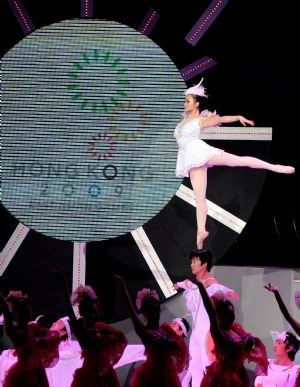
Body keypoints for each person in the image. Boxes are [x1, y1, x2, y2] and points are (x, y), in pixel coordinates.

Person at [174, 79, 295, 248]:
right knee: (199, 198)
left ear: (197, 104)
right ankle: (201, 234)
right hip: (190, 159)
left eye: (188, 101)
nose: (184, 104)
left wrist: (238, 117)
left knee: (238, 161)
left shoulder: (201, 120)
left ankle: (274, 167)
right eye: (184, 101)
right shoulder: (183, 120)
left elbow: (222, 118)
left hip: (200, 152)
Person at [173, 249, 239, 387]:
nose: (191, 264)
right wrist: (177, 284)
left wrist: (229, 291)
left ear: (204, 264)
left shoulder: (210, 282)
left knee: (207, 365)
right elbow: (187, 284)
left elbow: (218, 287)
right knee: (194, 367)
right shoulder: (195, 282)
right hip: (196, 334)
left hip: (206, 334)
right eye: (191, 262)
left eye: (195, 262)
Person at [53, 270, 127, 387]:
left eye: (94, 311)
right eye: (89, 312)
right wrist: (63, 283)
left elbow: (122, 340)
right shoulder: (80, 330)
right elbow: (68, 307)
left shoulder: (101, 328)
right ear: (82, 313)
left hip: (106, 376)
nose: (92, 314)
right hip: (88, 378)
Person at [115, 275, 189, 387]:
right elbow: (130, 308)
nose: (154, 312)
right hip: (152, 378)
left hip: (168, 377)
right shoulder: (144, 331)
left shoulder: (165, 331)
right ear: (145, 313)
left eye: (156, 309)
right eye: (151, 310)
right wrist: (122, 284)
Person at [191, 278, 268, 386]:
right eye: (228, 313)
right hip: (224, 380)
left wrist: (251, 343)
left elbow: (247, 348)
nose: (231, 316)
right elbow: (211, 311)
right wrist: (200, 286)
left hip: (239, 374)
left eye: (232, 313)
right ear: (221, 316)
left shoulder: (235, 330)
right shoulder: (218, 333)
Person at [0, 290, 59, 387]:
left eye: (28, 312)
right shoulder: (15, 332)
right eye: (24, 313)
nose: (27, 315)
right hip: (25, 374)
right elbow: (5, 311)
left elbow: (52, 335)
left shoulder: (32, 328)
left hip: (38, 372)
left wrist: (42, 341)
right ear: (16, 314)